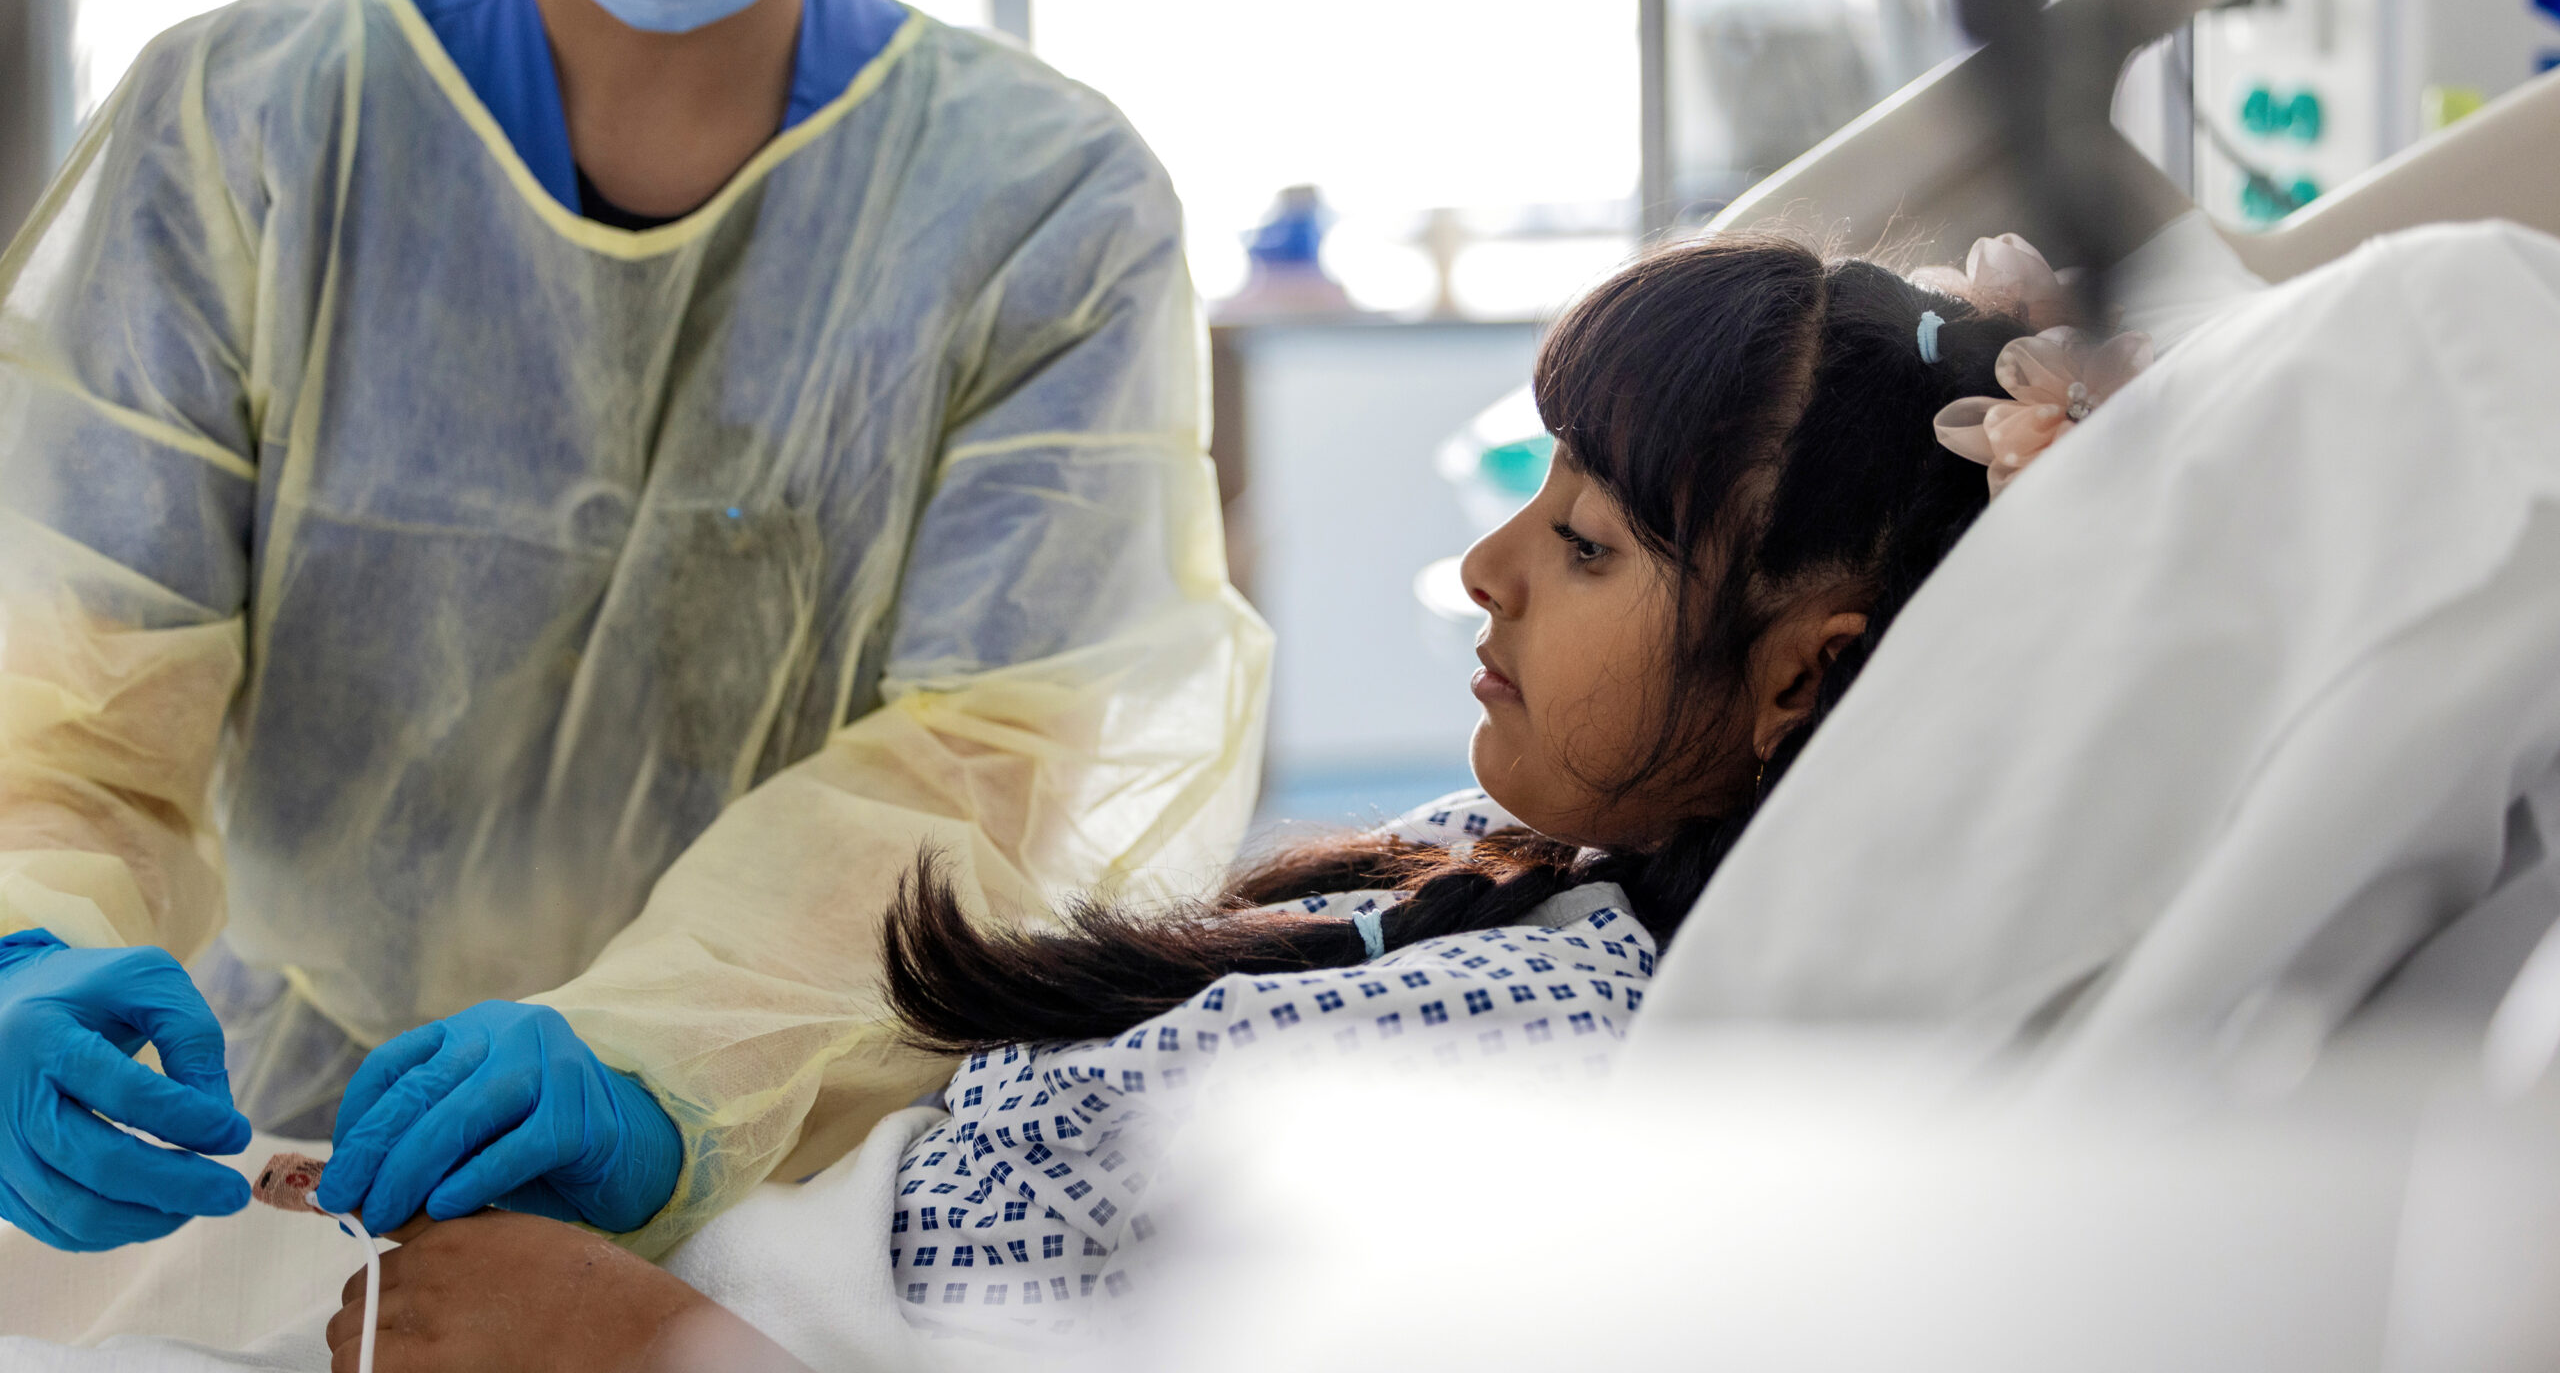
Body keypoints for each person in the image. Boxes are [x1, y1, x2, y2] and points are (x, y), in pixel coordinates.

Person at [0, 0, 1267, 1262]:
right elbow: (65, 685)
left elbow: (999, 757)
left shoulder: (1041, 201)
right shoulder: (246, 129)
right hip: (280, 1135)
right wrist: (25, 948)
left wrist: (668, 1060)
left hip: (794, 1158)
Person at [275, 231, 2107, 1372]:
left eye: (1584, 542)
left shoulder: (1570, 1083)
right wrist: (684, 1149)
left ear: (1801, 679)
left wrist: (647, 1348)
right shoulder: (1523, 885)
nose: (1486, 568)